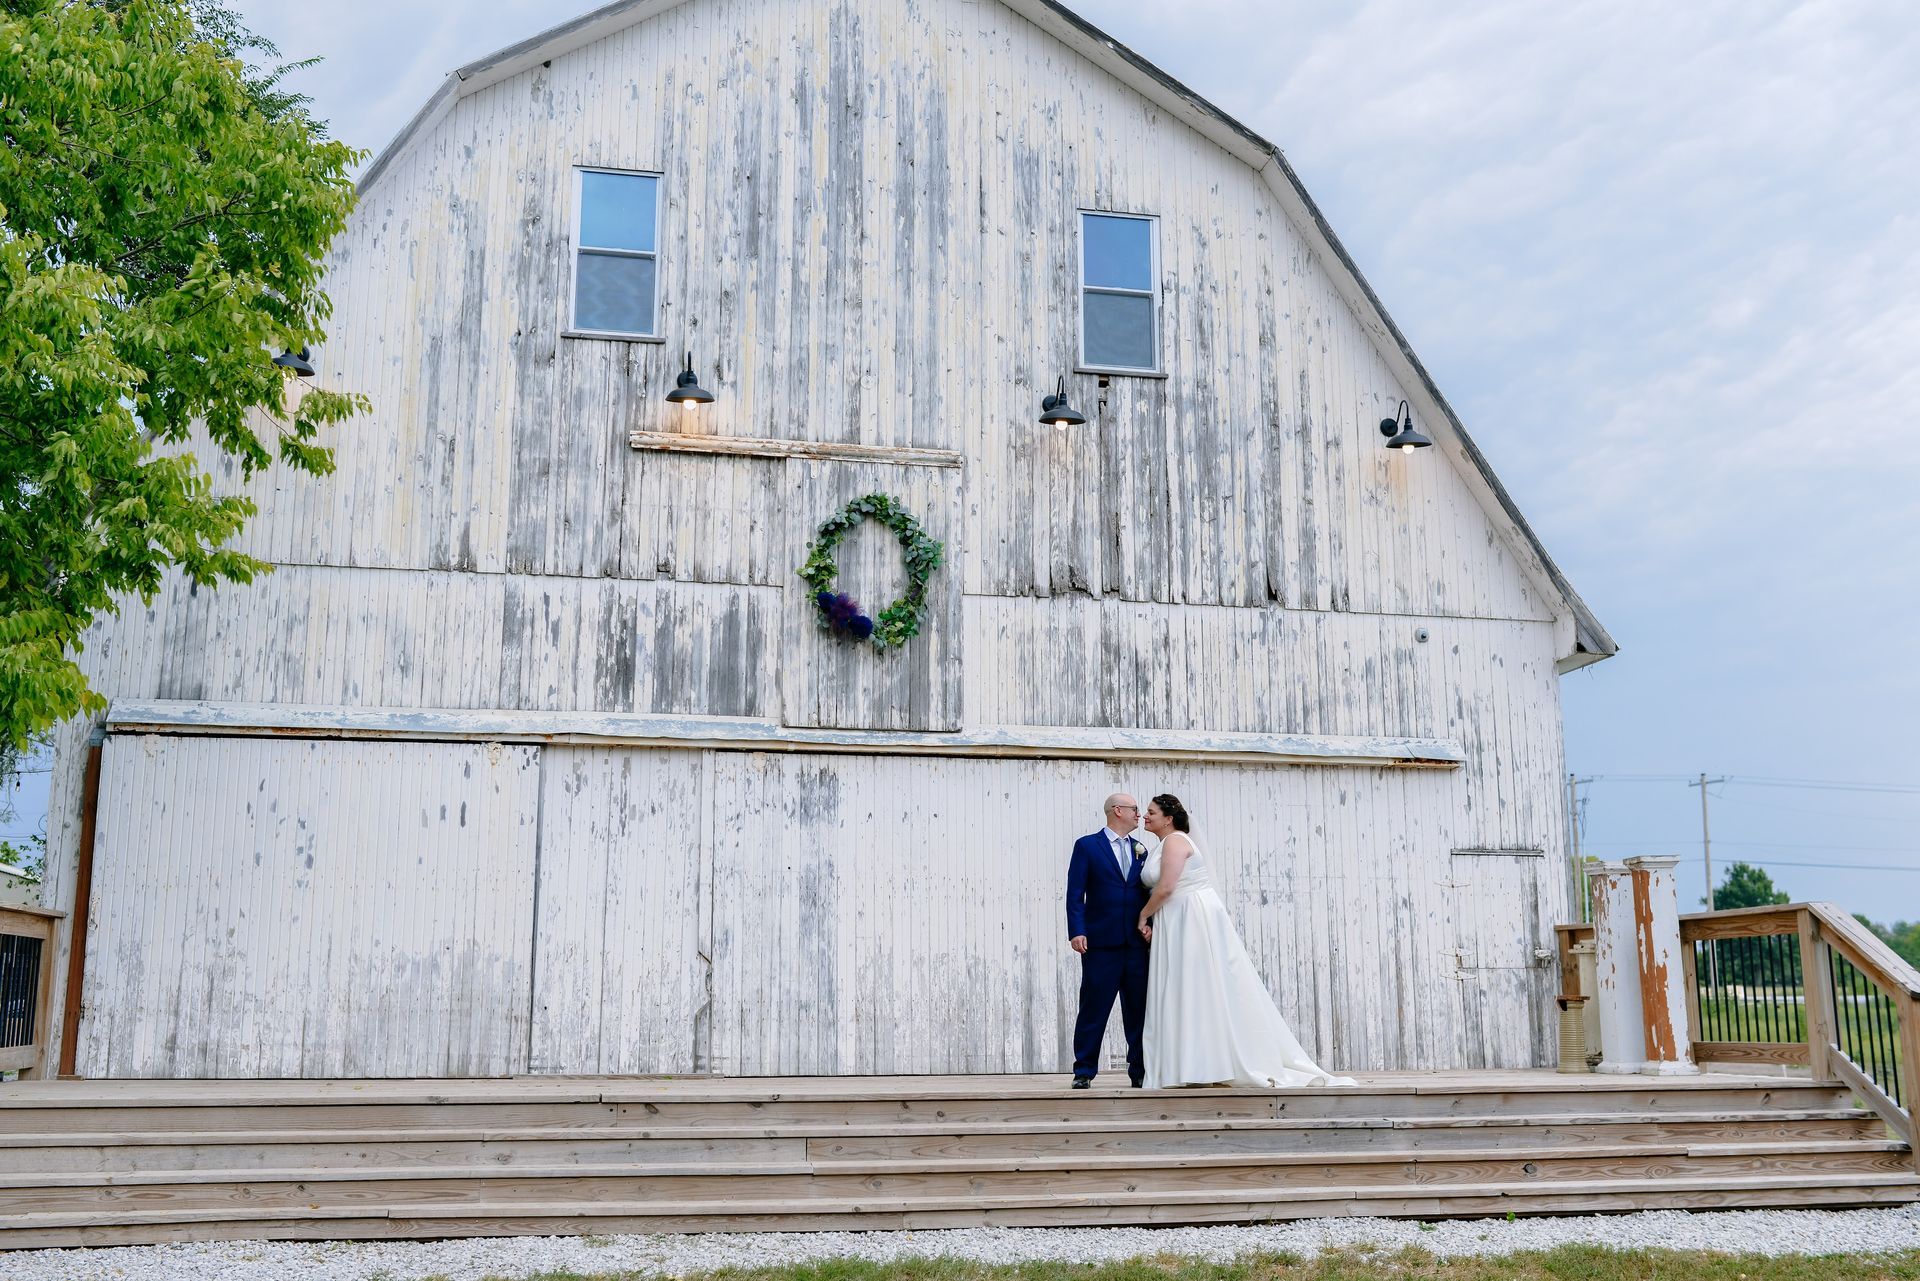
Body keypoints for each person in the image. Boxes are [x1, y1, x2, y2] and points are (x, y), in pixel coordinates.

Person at [1136, 793, 1357, 1090]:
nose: (1145, 816)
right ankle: (1193, 1062)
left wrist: (1143, 916)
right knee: (1188, 988)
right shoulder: (1163, 844)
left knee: (1194, 985)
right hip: (1178, 917)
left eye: (1151, 812)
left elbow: (1165, 887)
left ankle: (1203, 1063)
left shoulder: (1175, 841)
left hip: (1189, 918)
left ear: (1168, 818)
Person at [1064, 793, 1151, 1089]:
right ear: (1117, 811)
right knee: (1094, 1007)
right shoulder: (1087, 846)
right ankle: (1084, 1069)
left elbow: (1146, 892)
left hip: (1136, 944)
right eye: (1135, 809)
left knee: (1138, 1010)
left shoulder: (1142, 850)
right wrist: (1077, 930)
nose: (1139, 814)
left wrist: (1149, 926)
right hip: (1100, 942)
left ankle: (1138, 1069)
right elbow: (1075, 893)